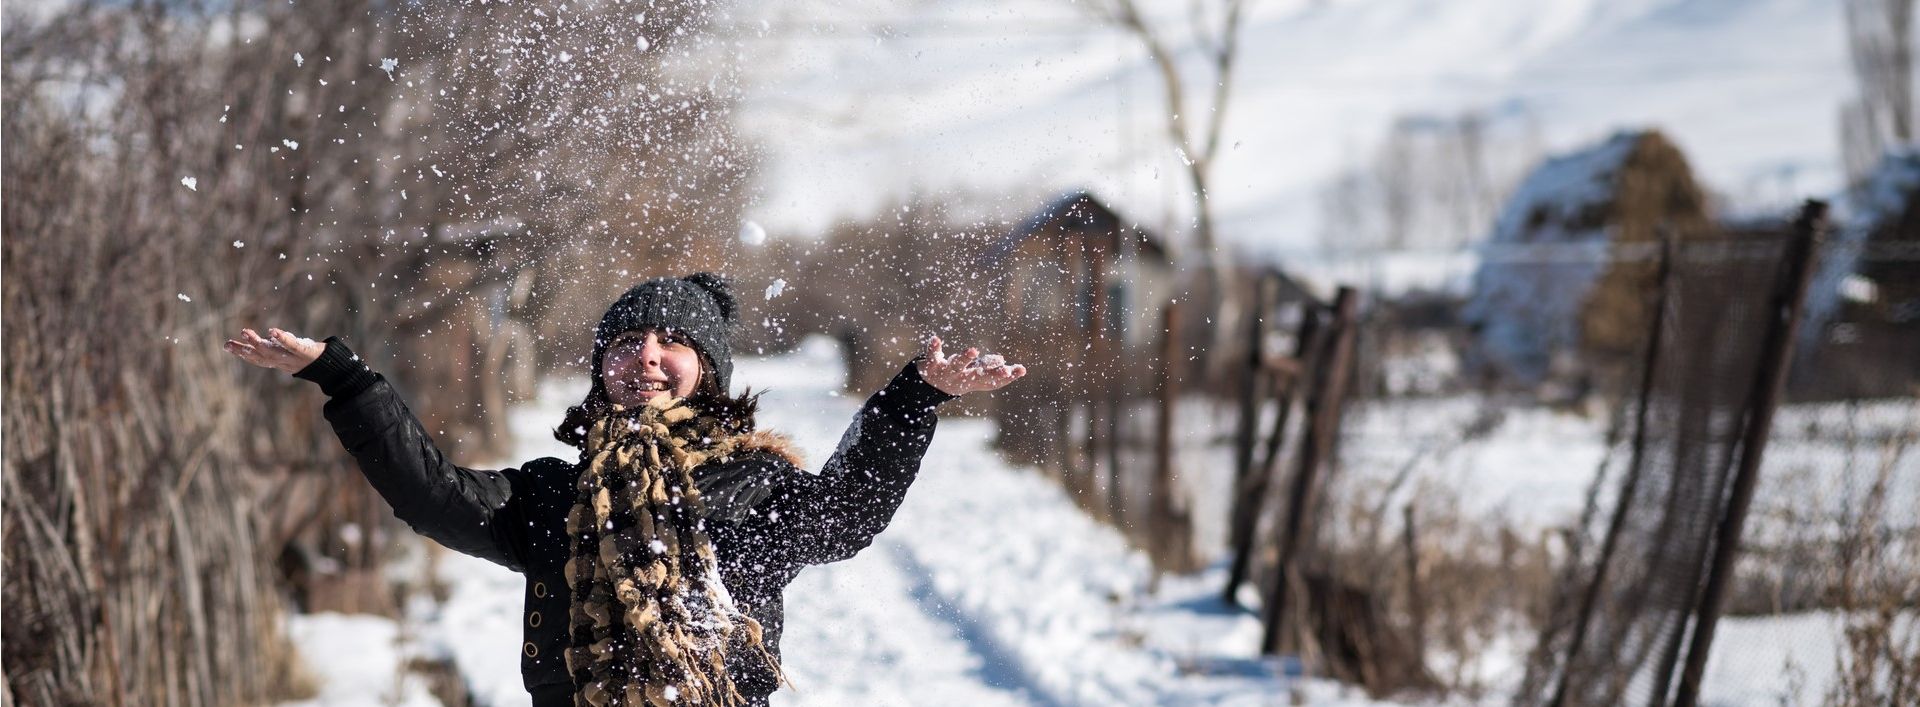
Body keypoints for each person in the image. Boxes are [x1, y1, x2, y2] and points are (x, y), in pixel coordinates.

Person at [224, 273, 1025, 707]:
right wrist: (345, 381)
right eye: (627, 340)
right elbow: (433, 496)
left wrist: (914, 398)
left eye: (672, 341)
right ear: (601, 368)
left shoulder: (753, 485)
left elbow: (847, 512)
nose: (645, 355)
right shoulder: (555, 495)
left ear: (708, 371)